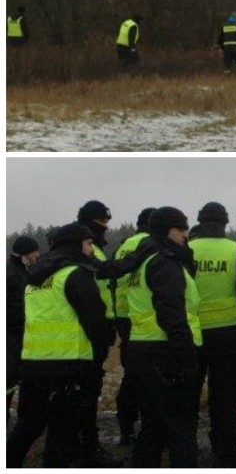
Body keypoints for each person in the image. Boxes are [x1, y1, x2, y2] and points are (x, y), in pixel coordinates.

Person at [6, 224, 110, 468]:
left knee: (28, 427)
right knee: (61, 435)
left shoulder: (35, 278)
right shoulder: (75, 273)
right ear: (75, 245)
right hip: (68, 366)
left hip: (33, 364)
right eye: (88, 243)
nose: (91, 248)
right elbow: (95, 319)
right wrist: (100, 351)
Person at [125, 206, 202, 467]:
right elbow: (172, 314)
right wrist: (186, 356)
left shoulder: (143, 261)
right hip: (166, 353)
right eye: (183, 230)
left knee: (153, 426)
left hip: (142, 350)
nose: (186, 236)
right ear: (171, 230)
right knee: (181, 427)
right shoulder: (165, 262)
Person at [188, 202, 236, 467]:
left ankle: (186, 451)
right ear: (224, 224)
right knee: (225, 401)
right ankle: (228, 452)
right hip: (230, 337)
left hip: (192, 336)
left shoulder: (186, 251)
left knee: (187, 398)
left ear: (200, 221)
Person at [74, 200, 122, 467]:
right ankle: (86, 449)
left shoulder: (92, 247)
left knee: (88, 390)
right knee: (86, 391)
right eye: (102, 223)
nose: (105, 228)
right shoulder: (83, 248)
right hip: (90, 331)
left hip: (99, 327)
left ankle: (80, 444)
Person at [111, 207, 156, 446]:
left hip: (123, 316)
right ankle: (150, 427)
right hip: (146, 316)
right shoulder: (153, 244)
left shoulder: (123, 245)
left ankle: (126, 425)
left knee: (132, 373)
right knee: (152, 375)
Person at [6, 236, 40, 422]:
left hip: (18, 335)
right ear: (26, 252)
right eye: (35, 251)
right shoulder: (12, 274)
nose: (38, 255)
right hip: (11, 335)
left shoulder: (21, 271)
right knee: (8, 378)